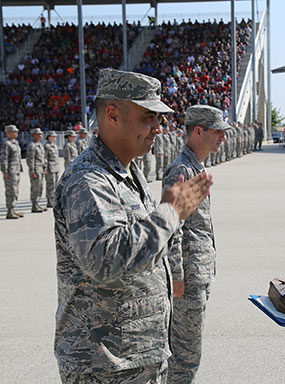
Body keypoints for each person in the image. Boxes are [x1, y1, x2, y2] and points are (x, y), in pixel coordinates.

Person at [53, 68, 213, 384]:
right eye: (147, 117)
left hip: (136, 357)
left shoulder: (127, 173)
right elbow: (105, 259)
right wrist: (170, 213)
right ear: (112, 115)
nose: (158, 128)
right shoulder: (89, 181)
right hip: (104, 364)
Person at [162, 105, 229, 384]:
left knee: (188, 354)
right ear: (198, 130)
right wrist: (177, 278)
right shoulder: (181, 169)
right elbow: (172, 227)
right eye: (217, 131)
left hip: (197, 274)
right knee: (184, 357)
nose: (223, 138)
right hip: (187, 281)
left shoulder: (195, 166)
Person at [0, 124, 24, 219]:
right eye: (14, 131)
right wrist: (5, 171)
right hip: (10, 171)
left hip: (16, 170)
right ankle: (10, 211)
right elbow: (4, 158)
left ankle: (13, 209)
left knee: (15, 191)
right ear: (8, 133)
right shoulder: (6, 144)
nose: (16, 133)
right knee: (11, 191)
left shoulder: (15, 143)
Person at [26, 128, 47, 213]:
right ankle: (34, 204)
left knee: (40, 187)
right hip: (36, 169)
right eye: (39, 134)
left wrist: (45, 168)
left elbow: (43, 158)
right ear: (34, 135)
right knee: (35, 187)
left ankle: (37, 203)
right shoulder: (32, 145)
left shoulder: (40, 145)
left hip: (41, 169)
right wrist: (32, 171)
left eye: (41, 134)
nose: (41, 135)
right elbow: (30, 159)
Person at [44, 131, 59, 208]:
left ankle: (54, 199)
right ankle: (49, 200)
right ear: (48, 137)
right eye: (53, 136)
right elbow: (45, 158)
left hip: (56, 167)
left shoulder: (54, 145)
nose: (54, 138)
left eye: (55, 136)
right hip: (50, 168)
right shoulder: (46, 146)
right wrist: (46, 169)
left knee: (56, 184)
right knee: (50, 185)